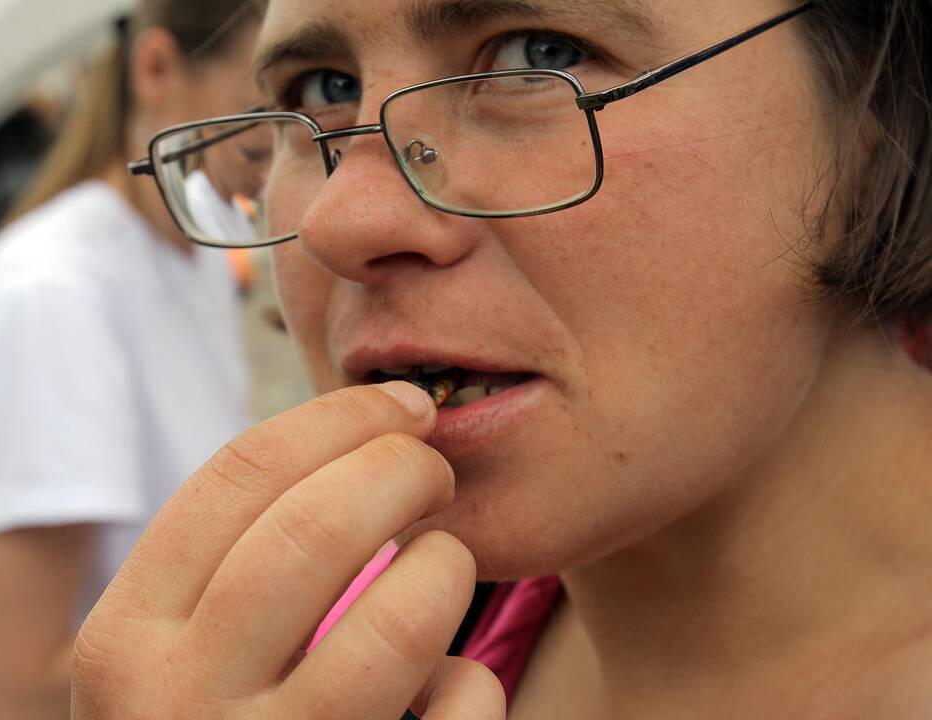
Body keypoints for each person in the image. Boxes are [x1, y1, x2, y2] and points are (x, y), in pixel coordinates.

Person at [72, 1, 932, 718]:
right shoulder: (327, 658)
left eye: (539, 54)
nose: (342, 222)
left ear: (883, 113)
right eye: (324, 89)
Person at [0, 2, 262, 718]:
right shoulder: (53, 300)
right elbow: (13, 692)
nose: (270, 182)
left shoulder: (187, 250)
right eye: (256, 143)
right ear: (156, 69)